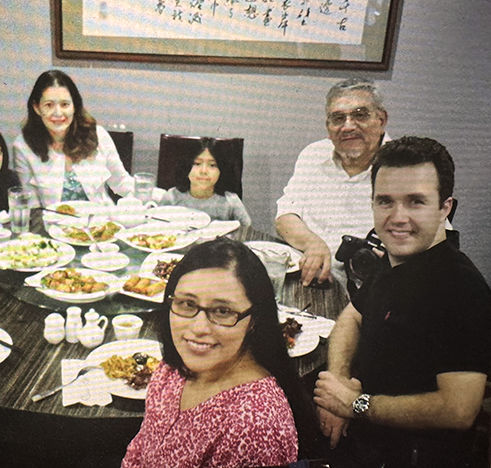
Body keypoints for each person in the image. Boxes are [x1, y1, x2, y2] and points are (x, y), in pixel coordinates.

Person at [313, 137, 491, 467]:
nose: (397, 218)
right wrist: (337, 383)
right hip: (362, 431)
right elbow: (351, 317)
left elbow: (458, 410)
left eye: (415, 202)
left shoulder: (462, 290)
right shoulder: (398, 257)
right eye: (385, 201)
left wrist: (356, 405)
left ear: (445, 208)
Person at [121, 238, 318, 467]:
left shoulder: (253, 426)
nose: (199, 328)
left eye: (223, 311)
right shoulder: (174, 367)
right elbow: (142, 447)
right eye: (187, 304)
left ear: (254, 319)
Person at [275, 78, 391, 289]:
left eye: (360, 115)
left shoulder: (404, 166)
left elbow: (436, 245)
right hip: (308, 278)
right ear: (328, 127)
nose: (348, 126)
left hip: (370, 291)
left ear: (381, 120)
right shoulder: (314, 154)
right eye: (338, 118)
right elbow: (285, 216)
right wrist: (312, 243)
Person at [13, 70, 134, 207]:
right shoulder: (23, 146)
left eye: (65, 104)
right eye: (49, 105)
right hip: (51, 220)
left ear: (74, 106)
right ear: (37, 108)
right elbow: (32, 205)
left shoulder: (98, 135)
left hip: (100, 218)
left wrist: (148, 195)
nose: (58, 113)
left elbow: (122, 182)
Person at [159, 137, 251, 226]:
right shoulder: (172, 197)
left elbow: (246, 230)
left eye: (212, 165)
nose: (203, 171)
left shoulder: (231, 202)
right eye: (197, 163)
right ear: (186, 167)